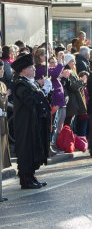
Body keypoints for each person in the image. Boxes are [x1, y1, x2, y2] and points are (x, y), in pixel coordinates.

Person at [12, 53, 52, 189]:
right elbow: (31, 101)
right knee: (26, 150)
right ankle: (25, 178)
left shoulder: (30, 83)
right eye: (31, 67)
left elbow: (41, 101)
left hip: (34, 121)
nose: (34, 69)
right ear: (23, 69)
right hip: (25, 124)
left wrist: (46, 91)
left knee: (34, 148)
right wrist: (44, 91)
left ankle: (31, 175)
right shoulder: (20, 84)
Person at [0, 61, 11, 169]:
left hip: (3, 120)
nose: (2, 71)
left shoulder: (2, 85)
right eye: (0, 69)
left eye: (3, 68)